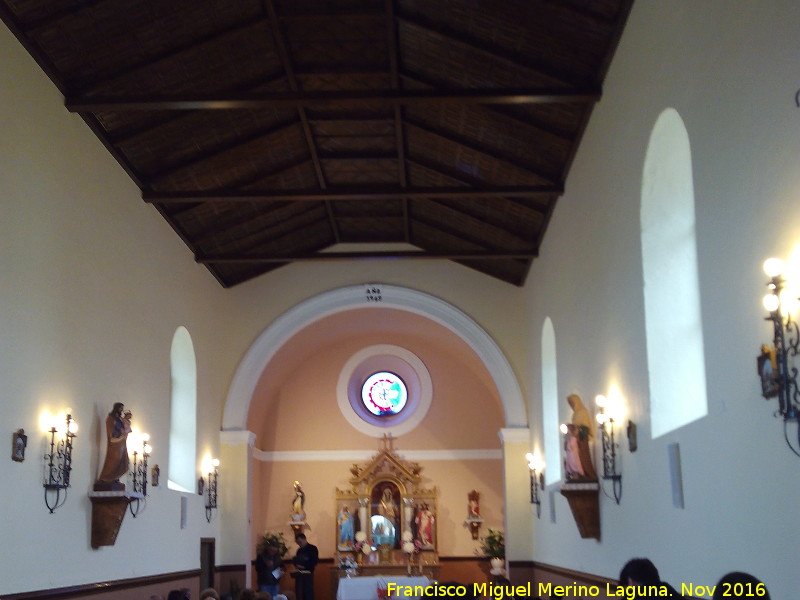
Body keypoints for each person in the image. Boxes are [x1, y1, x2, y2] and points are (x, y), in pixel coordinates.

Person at [97, 403, 132, 486]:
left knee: (123, 461)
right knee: (114, 460)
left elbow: (125, 426)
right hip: (115, 443)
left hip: (121, 443)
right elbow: (110, 430)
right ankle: (105, 478)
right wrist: (118, 434)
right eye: (120, 408)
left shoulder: (120, 419)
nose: (122, 410)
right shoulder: (111, 418)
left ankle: (114, 477)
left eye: (122, 409)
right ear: (116, 408)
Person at [563, 394, 598, 481]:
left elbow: (586, 427)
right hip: (575, 439)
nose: (571, 405)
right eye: (570, 404)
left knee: (583, 457)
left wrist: (578, 430)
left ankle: (587, 473)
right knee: (574, 458)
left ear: (576, 402)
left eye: (572, 403)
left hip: (581, 440)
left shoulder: (583, 412)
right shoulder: (574, 415)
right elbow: (574, 427)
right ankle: (577, 474)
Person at [292, 533, 318, 600]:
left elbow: (314, 562)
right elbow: (297, 561)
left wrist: (304, 567)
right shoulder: (299, 550)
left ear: (304, 539)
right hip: (299, 575)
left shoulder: (313, 549)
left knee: (308, 594)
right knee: (299, 594)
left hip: (308, 575)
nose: (299, 544)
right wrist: (296, 564)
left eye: (300, 542)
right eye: (297, 543)